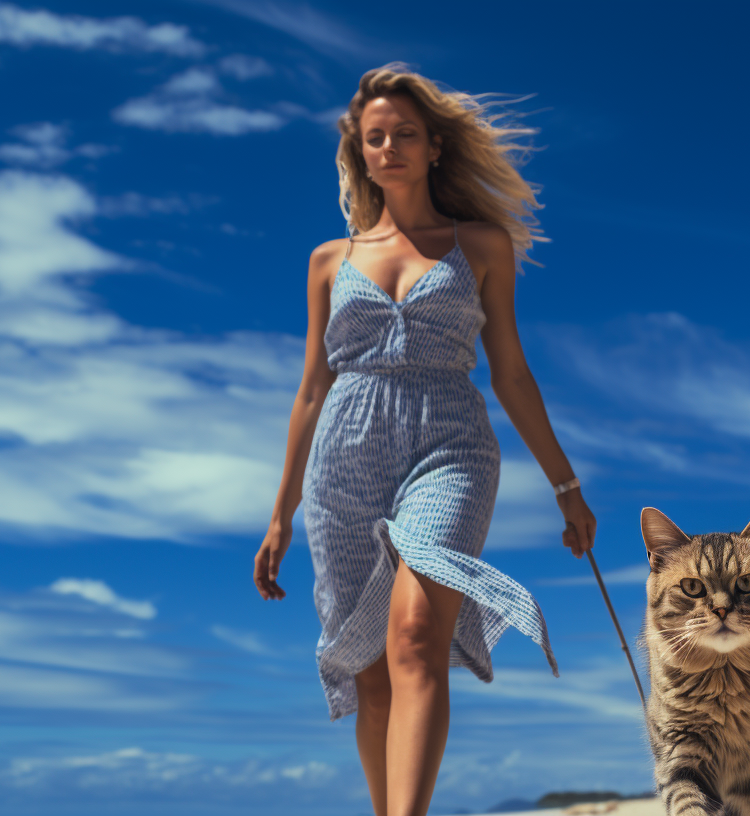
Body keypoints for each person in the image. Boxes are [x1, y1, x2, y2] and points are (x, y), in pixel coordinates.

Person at [255, 63, 596, 816]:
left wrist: (566, 486)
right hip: (343, 462)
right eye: (376, 138)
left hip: (451, 445)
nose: (391, 147)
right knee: (372, 673)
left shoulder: (481, 245)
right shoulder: (328, 261)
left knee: (415, 636)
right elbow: (310, 389)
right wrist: (279, 515)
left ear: (434, 145)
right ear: (361, 154)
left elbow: (511, 373)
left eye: (405, 133)